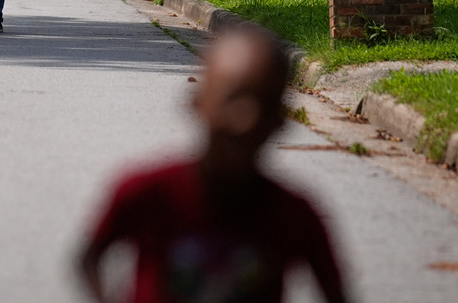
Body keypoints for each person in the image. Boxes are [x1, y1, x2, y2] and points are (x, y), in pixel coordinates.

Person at [78, 24, 347, 303]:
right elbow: (88, 258)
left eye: (264, 103)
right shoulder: (145, 193)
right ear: (197, 102)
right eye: (233, 98)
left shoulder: (295, 216)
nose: (247, 118)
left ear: (280, 120)